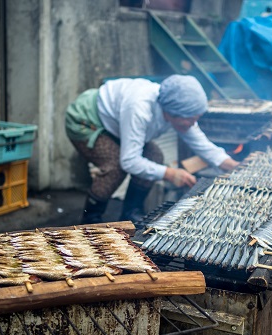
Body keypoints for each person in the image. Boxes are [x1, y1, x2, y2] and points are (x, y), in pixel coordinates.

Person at [65, 74, 239, 224]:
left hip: (116, 124)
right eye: (191, 119)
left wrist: (231, 164)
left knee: (154, 156)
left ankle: (130, 214)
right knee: (115, 166)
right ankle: (90, 221)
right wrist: (171, 174)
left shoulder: (178, 109)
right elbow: (129, 161)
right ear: (173, 112)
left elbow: (200, 142)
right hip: (86, 120)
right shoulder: (139, 108)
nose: (193, 124)